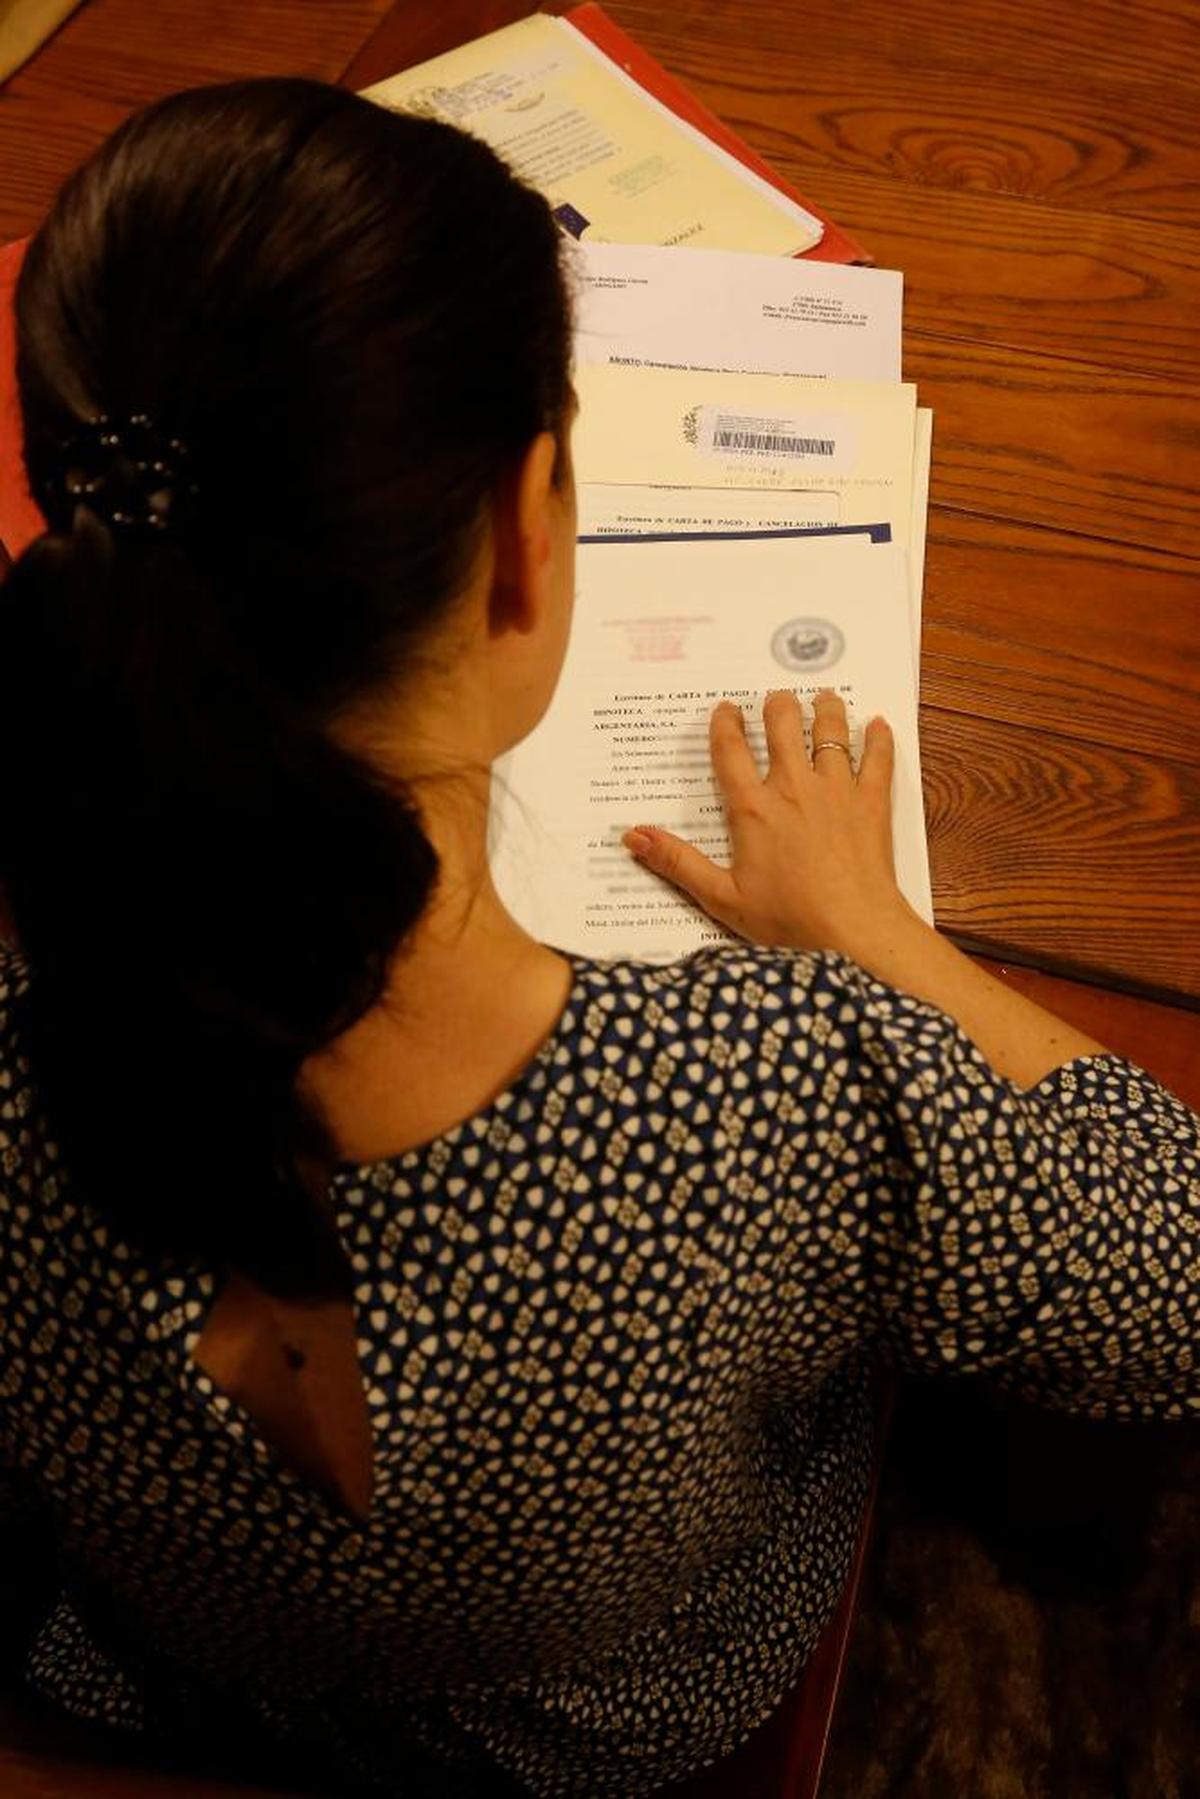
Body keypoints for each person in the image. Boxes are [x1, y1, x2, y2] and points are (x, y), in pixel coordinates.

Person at [0, 75, 1195, 1799]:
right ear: (522, 528)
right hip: (609, 1714)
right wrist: (871, 931)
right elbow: (1182, 1276)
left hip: (178, 1665)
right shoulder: (771, 1090)